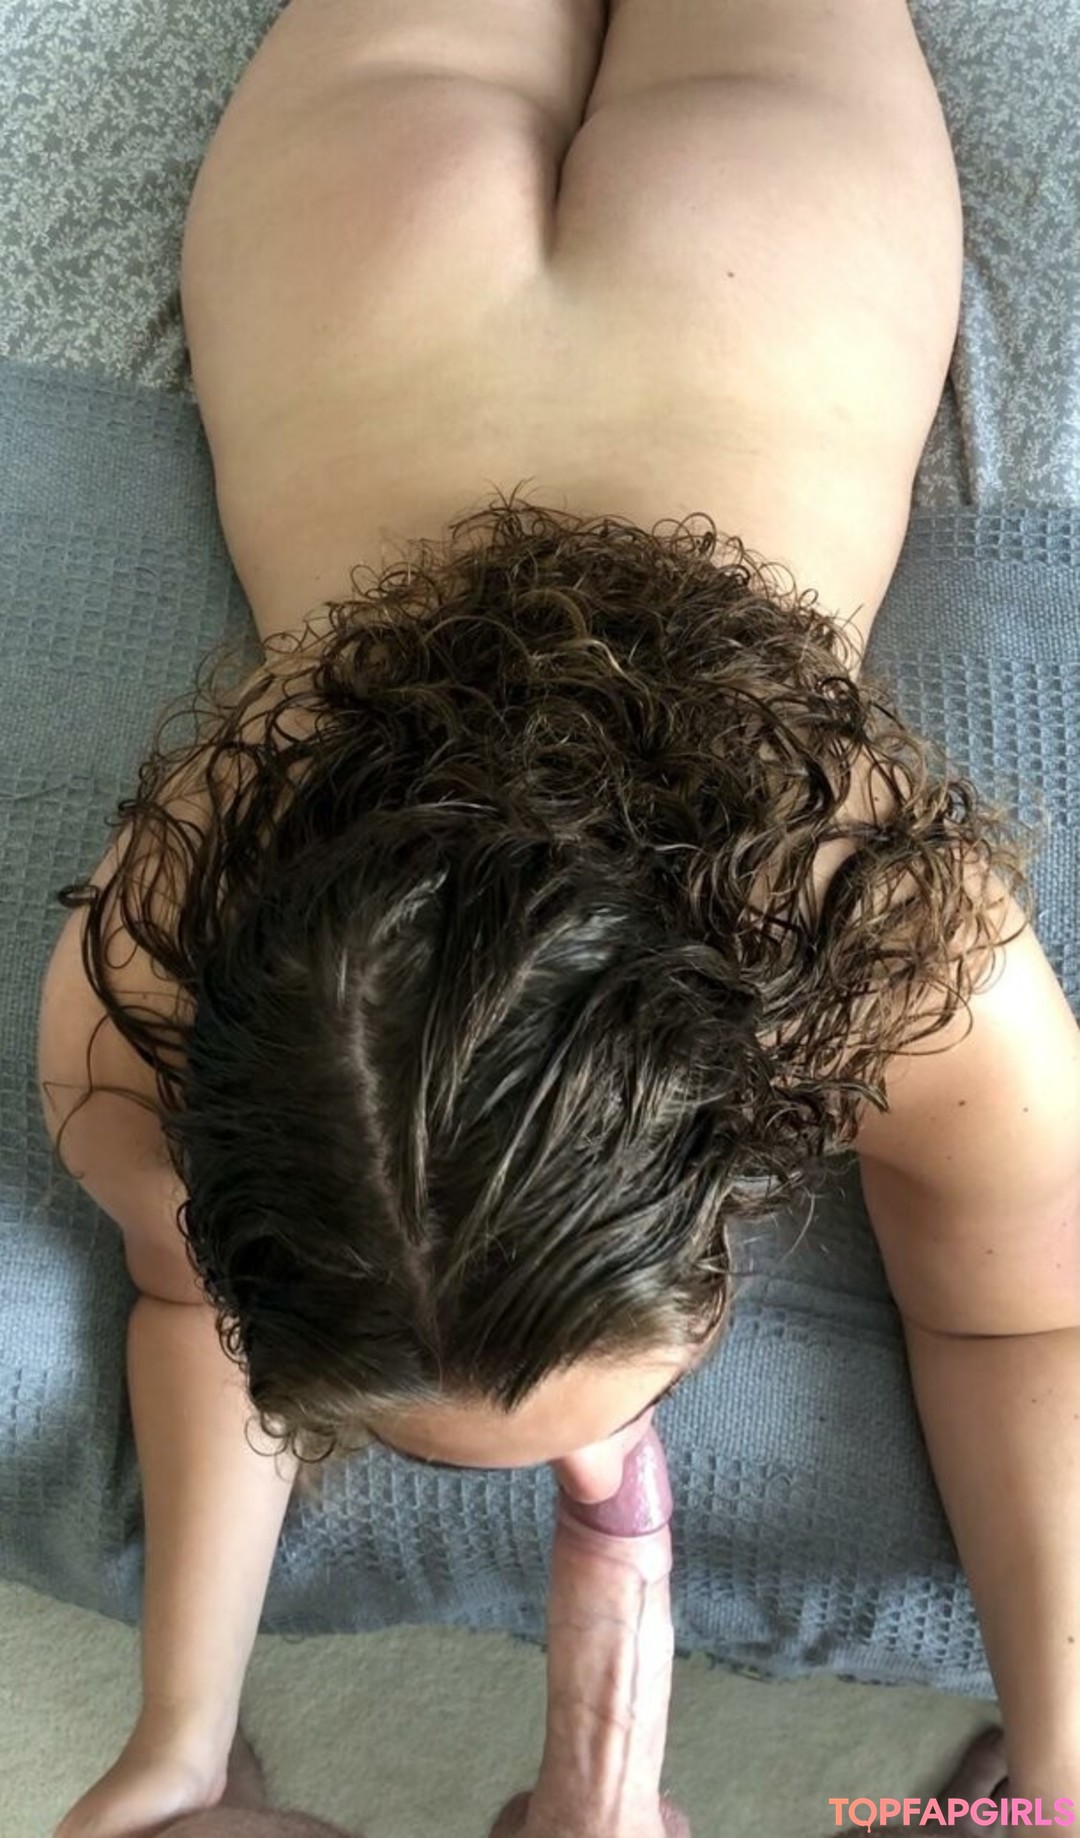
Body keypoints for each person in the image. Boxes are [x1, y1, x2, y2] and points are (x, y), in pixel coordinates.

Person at [39, 2, 1079, 1834]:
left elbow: (1021, 1332)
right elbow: (1022, 1324)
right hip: (378, 230)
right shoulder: (161, 947)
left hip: (766, 237)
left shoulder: (887, 921)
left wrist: (1060, 1750)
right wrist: (178, 1731)